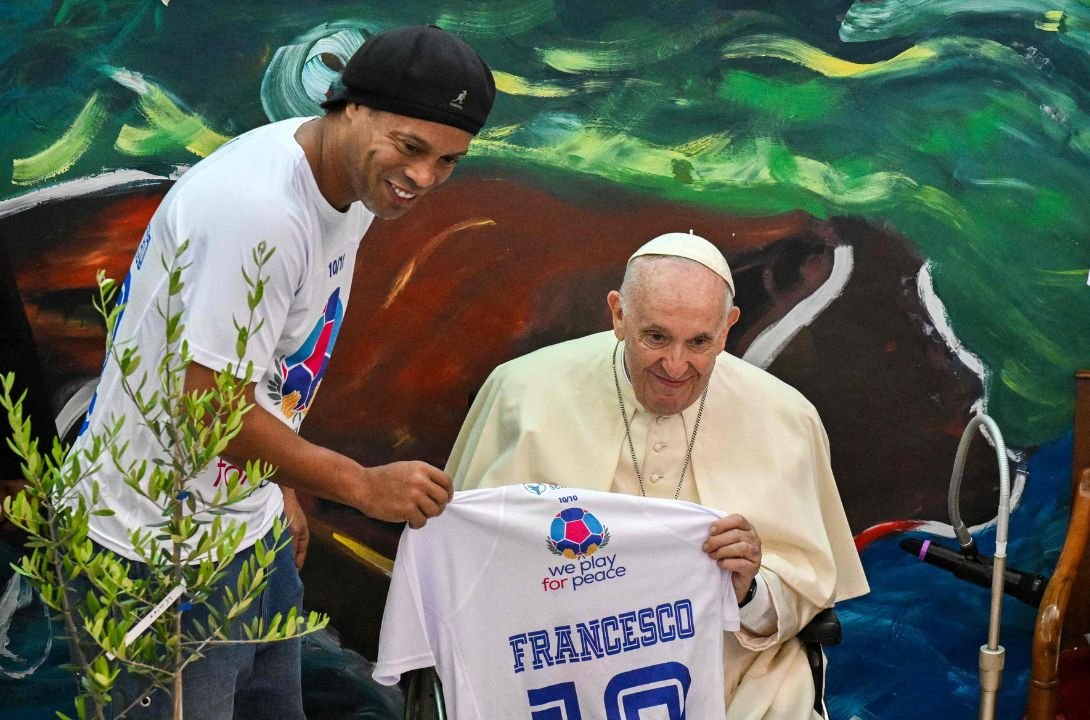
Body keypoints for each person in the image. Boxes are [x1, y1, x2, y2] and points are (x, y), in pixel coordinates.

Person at [66, 25, 495, 719]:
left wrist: (280, 486)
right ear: (349, 106)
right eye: (411, 148)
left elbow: (263, 365)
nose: (424, 177)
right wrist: (357, 485)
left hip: (243, 532)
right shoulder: (260, 213)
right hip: (158, 555)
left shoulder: (348, 185)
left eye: (449, 160)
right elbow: (206, 409)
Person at [447, 231, 869, 719]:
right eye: (656, 337)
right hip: (554, 679)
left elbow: (804, 598)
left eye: (699, 343)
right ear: (618, 315)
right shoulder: (521, 392)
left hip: (734, 684)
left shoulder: (786, 419)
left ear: (728, 328)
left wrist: (749, 589)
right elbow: (465, 573)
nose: (675, 365)